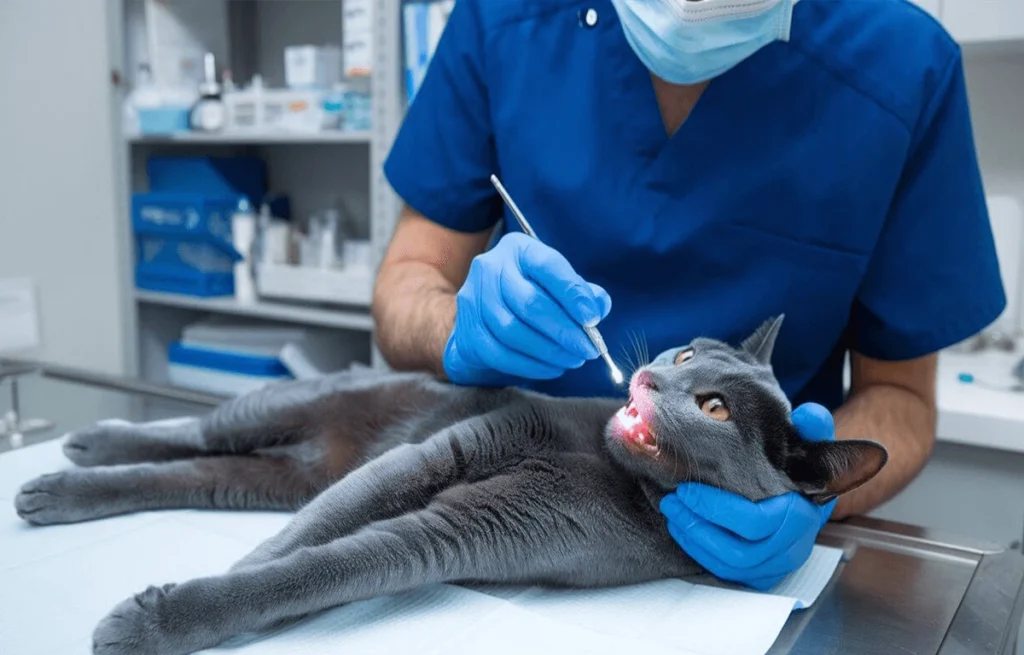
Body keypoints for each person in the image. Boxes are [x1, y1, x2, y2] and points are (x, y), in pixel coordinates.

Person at [371, 0, 1006, 590]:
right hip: (496, 491)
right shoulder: (504, 17)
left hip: (723, 555)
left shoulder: (902, 64)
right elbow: (411, 272)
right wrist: (454, 325)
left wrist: (808, 490)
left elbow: (901, 398)